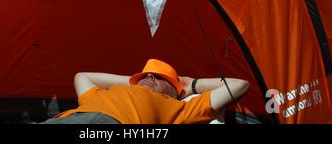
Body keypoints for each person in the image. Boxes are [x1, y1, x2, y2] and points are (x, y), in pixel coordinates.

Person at [38, 58, 250, 124]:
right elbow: (82, 76)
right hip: (64, 119)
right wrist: (134, 81)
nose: (150, 77)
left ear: (177, 91)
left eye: (159, 78)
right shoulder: (101, 95)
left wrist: (191, 85)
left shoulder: (179, 109)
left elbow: (239, 85)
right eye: (146, 75)